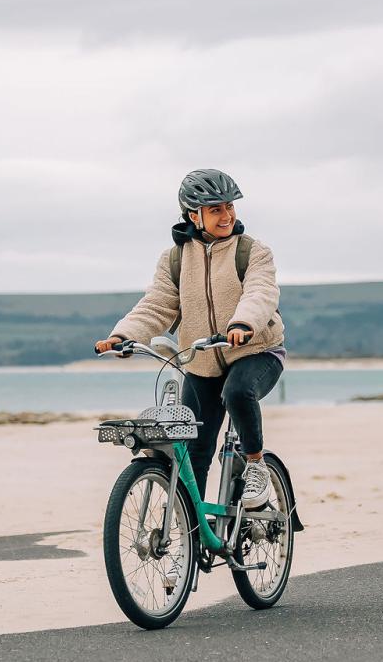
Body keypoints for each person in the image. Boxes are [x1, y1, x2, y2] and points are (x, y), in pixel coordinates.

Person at [97, 169, 286, 516]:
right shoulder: (175, 259)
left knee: (237, 392)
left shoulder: (252, 251)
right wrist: (123, 335)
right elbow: (157, 305)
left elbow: (261, 292)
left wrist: (243, 323)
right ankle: (188, 534)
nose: (227, 215)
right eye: (215, 209)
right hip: (201, 362)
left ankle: (256, 463)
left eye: (229, 206)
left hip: (256, 351)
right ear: (192, 214)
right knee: (195, 449)